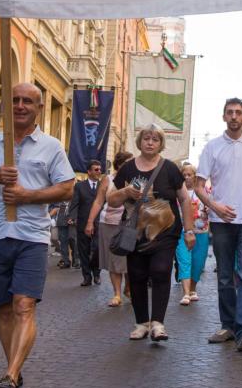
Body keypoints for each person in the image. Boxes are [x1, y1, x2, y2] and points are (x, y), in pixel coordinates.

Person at [0, 82, 75, 388]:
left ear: (39, 108)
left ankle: (11, 375)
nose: (20, 105)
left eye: (27, 101)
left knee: (23, 305)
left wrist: (29, 196)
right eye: (14, 100)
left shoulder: (51, 147)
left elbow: (67, 188)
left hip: (32, 237)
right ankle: (14, 366)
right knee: (3, 309)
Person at [195, 98, 242, 352]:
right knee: (225, 275)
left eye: (239, 112)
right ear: (224, 116)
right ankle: (228, 326)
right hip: (221, 220)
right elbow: (198, 185)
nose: (235, 116)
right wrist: (215, 206)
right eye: (230, 112)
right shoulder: (212, 147)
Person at [109, 126, 195, 341]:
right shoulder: (128, 169)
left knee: (161, 269)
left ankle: (157, 323)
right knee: (137, 275)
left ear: (161, 143)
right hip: (135, 233)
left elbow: (184, 199)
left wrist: (189, 230)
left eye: (155, 139)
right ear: (139, 142)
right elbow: (111, 200)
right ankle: (141, 323)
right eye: (146, 138)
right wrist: (125, 191)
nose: (150, 142)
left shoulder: (170, 169)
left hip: (166, 231)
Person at [88, 151, 131, 306]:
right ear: (120, 164)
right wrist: (90, 222)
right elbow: (99, 202)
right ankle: (117, 294)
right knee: (114, 260)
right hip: (109, 223)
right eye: (128, 162)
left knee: (129, 260)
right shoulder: (108, 179)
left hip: (129, 225)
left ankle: (128, 288)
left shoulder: (135, 180)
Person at [176, 163, 211, 305]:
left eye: (189, 175)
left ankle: (192, 289)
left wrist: (209, 209)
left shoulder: (203, 190)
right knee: (184, 260)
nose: (187, 178)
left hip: (201, 231)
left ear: (195, 176)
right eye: (184, 175)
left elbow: (211, 205)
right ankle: (185, 293)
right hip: (182, 231)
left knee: (198, 261)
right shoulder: (177, 191)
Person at [71, 160, 103, 286]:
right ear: (89, 171)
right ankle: (87, 277)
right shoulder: (79, 186)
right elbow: (75, 203)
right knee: (83, 251)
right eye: (96, 169)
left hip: (99, 223)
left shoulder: (103, 186)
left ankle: (97, 274)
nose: (99, 172)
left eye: (100, 169)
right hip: (83, 223)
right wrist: (72, 217)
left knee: (97, 250)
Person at [51, 196, 75, 268]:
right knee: (63, 242)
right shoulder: (57, 197)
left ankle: (76, 259)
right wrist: (53, 218)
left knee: (73, 240)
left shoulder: (75, 192)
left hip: (72, 221)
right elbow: (51, 207)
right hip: (61, 221)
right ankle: (65, 261)